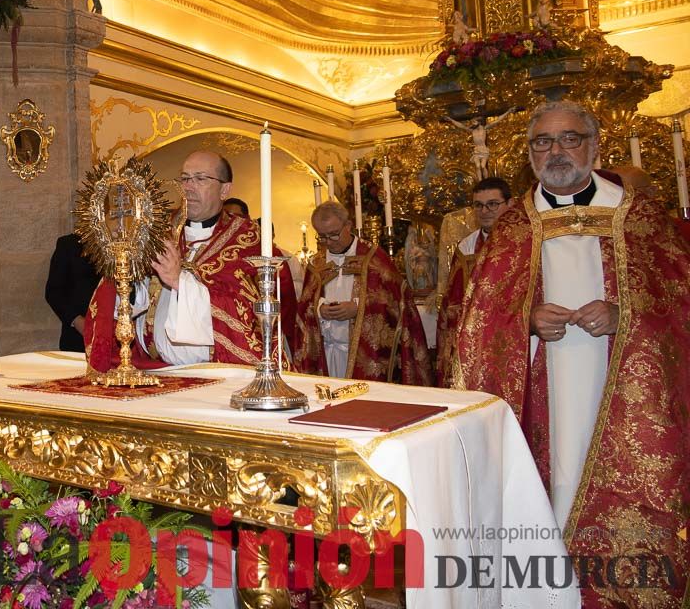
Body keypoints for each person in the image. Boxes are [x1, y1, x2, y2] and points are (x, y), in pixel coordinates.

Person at [454, 101, 690, 608]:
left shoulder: (639, 214)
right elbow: (479, 322)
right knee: (553, 483)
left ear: (594, 144)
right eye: (543, 141)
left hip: (625, 384)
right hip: (544, 388)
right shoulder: (514, 225)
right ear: (529, 153)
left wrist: (625, 313)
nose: (556, 151)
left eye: (569, 138)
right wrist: (527, 322)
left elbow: (679, 302)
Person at [84, 150, 296, 370]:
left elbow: (252, 311)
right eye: (185, 178)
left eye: (201, 179)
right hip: (153, 368)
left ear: (225, 190)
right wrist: (133, 282)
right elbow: (125, 296)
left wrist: (179, 282)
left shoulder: (250, 240)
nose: (188, 186)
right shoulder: (154, 229)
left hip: (214, 371)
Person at [294, 201, 433, 385]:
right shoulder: (317, 264)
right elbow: (304, 306)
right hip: (326, 354)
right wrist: (320, 309)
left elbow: (397, 303)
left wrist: (358, 307)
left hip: (364, 354)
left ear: (348, 226)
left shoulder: (374, 258)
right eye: (322, 237)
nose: (329, 242)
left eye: (334, 234)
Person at [435, 176, 512, 385]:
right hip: (475, 333)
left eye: (493, 204)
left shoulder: (522, 242)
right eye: (478, 205)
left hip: (511, 328)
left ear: (510, 204)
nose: (485, 211)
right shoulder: (466, 248)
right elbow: (454, 299)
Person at [44, 233, 100, 352]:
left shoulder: (128, 246)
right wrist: (77, 320)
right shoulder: (69, 244)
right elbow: (53, 292)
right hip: (78, 339)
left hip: (121, 338)